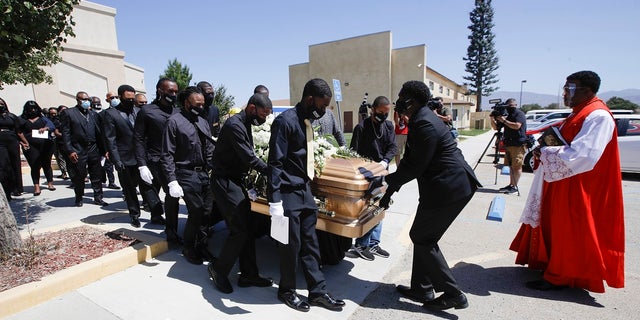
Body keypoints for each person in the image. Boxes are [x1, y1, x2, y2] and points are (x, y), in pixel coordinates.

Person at [510, 70, 624, 293]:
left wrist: (548, 152)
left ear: (588, 90)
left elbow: (585, 155)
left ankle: (561, 276)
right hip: (563, 180)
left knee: (569, 231)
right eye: (565, 88)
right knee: (556, 226)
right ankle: (552, 266)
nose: (564, 94)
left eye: (569, 89)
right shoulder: (578, 112)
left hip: (580, 185)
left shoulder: (598, 116)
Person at [377, 80, 481, 311]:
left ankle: (453, 293)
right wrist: (391, 189)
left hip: (449, 188)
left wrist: (387, 183)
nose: (399, 101)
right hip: (445, 186)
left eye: (402, 96)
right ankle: (421, 288)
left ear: (411, 101)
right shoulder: (421, 117)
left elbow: (414, 166)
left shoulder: (424, 122)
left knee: (422, 237)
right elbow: (411, 164)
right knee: (424, 236)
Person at [267, 78, 345, 312]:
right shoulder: (285, 122)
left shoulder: (307, 121)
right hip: (287, 193)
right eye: (322, 105)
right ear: (310, 99)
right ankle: (287, 290)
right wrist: (275, 201)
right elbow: (275, 162)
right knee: (290, 245)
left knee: (311, 244)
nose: (323, 111)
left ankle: (317, 291)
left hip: (304, 191)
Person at [207, 93, 274, 294]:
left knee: (248, 228)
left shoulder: (245, 123)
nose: (263, 119)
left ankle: (248, 274)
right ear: (252, 108)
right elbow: (248, 157)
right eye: (263, 115)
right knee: (239, 229)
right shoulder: (235, 125)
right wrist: (273, 172)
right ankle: (219, 270)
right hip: (224, 181)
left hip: (235, 181)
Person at [161, 86, 214, 265]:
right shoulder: (174, 122)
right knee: (196, 211)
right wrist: (172, 181)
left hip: (203, 173)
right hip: (185, 173)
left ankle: (203, 245)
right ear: (186, 103)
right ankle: (189, 247)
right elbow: (167, 154)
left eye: (203, 104)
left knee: (207, 212)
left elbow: (209, 147)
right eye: (197, 104)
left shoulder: (203, 121)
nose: (200, 107)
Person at [103, 84, 164, 228]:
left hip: (144, 157)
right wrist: (116, 160)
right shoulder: (111, 114)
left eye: (132, 98)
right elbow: (110, 139)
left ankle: (156, 215)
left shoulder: (140, 112)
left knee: (150, 187)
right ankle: (134, 215)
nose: (130, 101)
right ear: (120, 97)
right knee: (130, 189)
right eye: (127, 98)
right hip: (125, 158)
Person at [348, 95, 396, 261]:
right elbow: (353, 152)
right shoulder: (361, 127)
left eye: (387, 112)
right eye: (381, 111)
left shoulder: (388, 126)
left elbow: (393, 147)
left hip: (382, 173)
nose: (384, 115)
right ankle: (362, 244)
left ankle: (374, 243)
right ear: (373, 109)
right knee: (367, 209)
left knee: (380, 208)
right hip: (366, 174)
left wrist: (384, 162)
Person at [134, 78, 180, 244]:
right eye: (170, 91)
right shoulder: (147, 111)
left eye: (176, 92)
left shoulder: (177, 112)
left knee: (174, 194)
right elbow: (138, 139)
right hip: (156, 159)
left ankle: (163, 219)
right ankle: (171, 232)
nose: (173, 95)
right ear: (160, 91)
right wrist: (142, 164)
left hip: (176, 160)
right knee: (171, 195)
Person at [60, 91, 108, 207]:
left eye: (87, 99)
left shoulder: (93, 114)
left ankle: (98, 197)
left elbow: (99, 133)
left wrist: (104, 149)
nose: (86, 102)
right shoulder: (69, 113)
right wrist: (70, 150)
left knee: (96, 174)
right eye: (83, 99)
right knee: (79, 175)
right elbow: (65, 133)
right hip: (78, 148)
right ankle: (79, 197)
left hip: (93, 148)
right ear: (77, 100)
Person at [19, 100, 56, 196]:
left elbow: (51, 126)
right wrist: (23, 142)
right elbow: (18, 131)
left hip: (45, 145)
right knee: (34, 165)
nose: (33, 110)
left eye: (34, 108)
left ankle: (50, 183)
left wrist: (45, 128)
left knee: (46, 164)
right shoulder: (22, 119)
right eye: (30, 109)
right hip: (31, 146)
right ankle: (36, 186)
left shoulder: (43, 118)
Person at [490, 98, 526, 194]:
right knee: (511, 166)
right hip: (509, 143)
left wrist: (504, 121)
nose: (509, 108)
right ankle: (511, 185)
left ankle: (514, 186)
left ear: (514, 105)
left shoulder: (519, 114)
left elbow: (517, 126)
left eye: (510, 106)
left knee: (517, 166)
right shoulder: (507, 115)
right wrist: (492, 118)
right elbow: (496, 128)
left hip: (518, 144)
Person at [0, 98, 29, 201]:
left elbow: (19, 131)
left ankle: (17, 188)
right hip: (1, 143)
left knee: (15, 164)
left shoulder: (12, 116)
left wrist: (24, 142)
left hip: (12, 141)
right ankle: (6, 191)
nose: (1, 105)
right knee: (3, 165)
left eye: (2, 103)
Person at [93, 95, 119, 190]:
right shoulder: (103, 114)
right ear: (107, 100)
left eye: (116, 97)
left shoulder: (122, 111)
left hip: (121, 144)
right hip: (107, 144)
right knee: (107, 165)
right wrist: (105, 148)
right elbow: (101, 132)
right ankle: (110, 181)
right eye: (112, 97)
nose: (115, 99)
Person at [48, 106, 69, 180]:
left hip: (69, 142)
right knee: (60, 157)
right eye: (51, 114)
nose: (53, 115)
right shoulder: (55, 120)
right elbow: (55, 132)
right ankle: (64, 173)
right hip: (58, 142)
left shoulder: (70, 118)